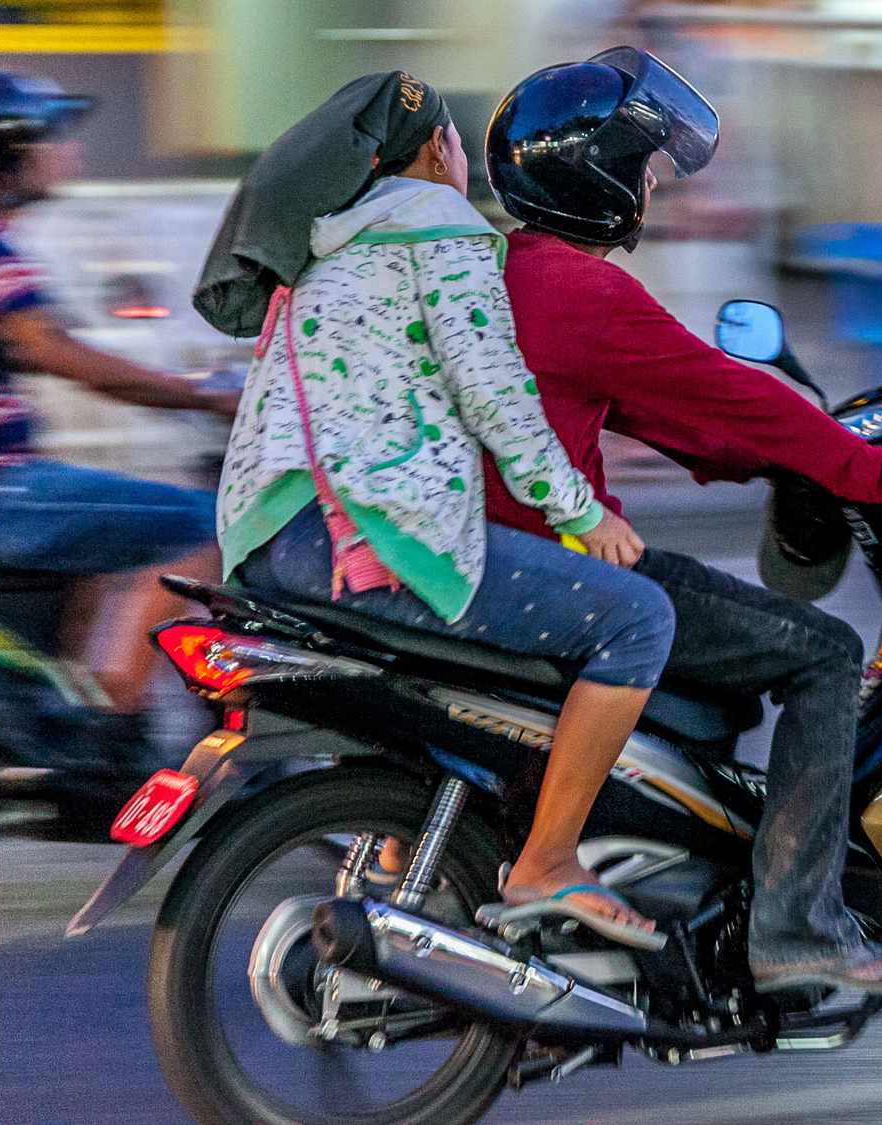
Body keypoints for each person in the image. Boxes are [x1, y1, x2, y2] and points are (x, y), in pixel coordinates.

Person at [481, 49, 882, 994]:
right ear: (598, 176)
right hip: (557, 568)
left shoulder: (502, 276)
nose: (656, 181)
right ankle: (797, 921)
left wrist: (762, 458)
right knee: (827, 650)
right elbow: (732, 395)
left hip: (496, 560)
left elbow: (677, 414)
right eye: (644, 164)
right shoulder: (586, 293)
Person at [199, 71, 673, 947]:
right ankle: (549, 859)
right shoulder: (441, 231)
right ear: (429, 153)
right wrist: (580, 514)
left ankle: (397, 844)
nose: (463, 162)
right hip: (358, 539)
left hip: (267, 538)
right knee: (638, 617)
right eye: (453, 142)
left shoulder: (327, 249)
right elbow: (495, 397)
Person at [0, 73, 235, 734]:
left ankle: (70, 703)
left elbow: (53, 346)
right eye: (55, 135)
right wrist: (204, 397)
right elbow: (67, 356)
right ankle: (104, 725)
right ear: (16, 149)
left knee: (110, 527)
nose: (70, 150)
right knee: (202, 526)